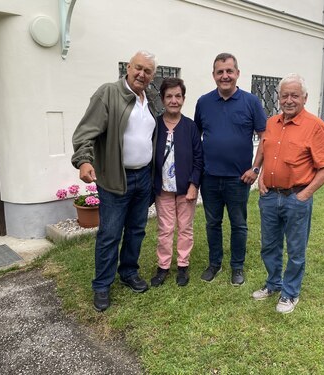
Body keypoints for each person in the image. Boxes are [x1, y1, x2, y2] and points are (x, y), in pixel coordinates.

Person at [71, 50, 162, 312]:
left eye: (147, 71)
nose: (141, 74)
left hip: (143, 176)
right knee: (110, 234)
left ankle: (129, 272)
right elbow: (85, 132)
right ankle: (102, 285)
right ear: (128, 67)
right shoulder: (108, 93)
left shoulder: (151, 99)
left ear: (152, 76)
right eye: (138, 68)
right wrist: (84, 160)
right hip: (115, 177)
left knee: (136, 230)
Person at [252, 73, 324, 314]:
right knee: (269, 245)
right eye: (284, 95)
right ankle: (273, 284)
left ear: (305, 98)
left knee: (296, 249)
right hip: (269, 197)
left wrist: (305, 194)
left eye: (294, 96)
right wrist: (261, 176)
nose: (289, 100)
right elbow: (266, 153)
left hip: (296, 197)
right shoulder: (271, 123)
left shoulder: (315, 126)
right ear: (279, 97)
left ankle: (290, 293)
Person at [194, 52, 266, 286]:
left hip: (239, 178)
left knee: (239, 224)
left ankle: (237, 266)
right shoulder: (203, 102)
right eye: (220, 72)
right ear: (214, 75)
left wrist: (255, 169)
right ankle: (215, 263)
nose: (225, 76)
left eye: (229, 71)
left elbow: (264, 136)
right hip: (210, 178)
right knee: (212, 223)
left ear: (237, 74)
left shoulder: (251, 102)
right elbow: (197, 137)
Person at [150, 77, 203, 287]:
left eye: (178, 96)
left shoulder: (190, 127)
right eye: (169, 96)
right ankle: (163, 267)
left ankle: (183, 265)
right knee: (165, 228)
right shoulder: (154, 125)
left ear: (183, 98)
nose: (174, 100)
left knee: (185, 228)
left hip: (185, 189)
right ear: (162, 99)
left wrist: (194, 185)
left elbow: (199, 158)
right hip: (162, 188)